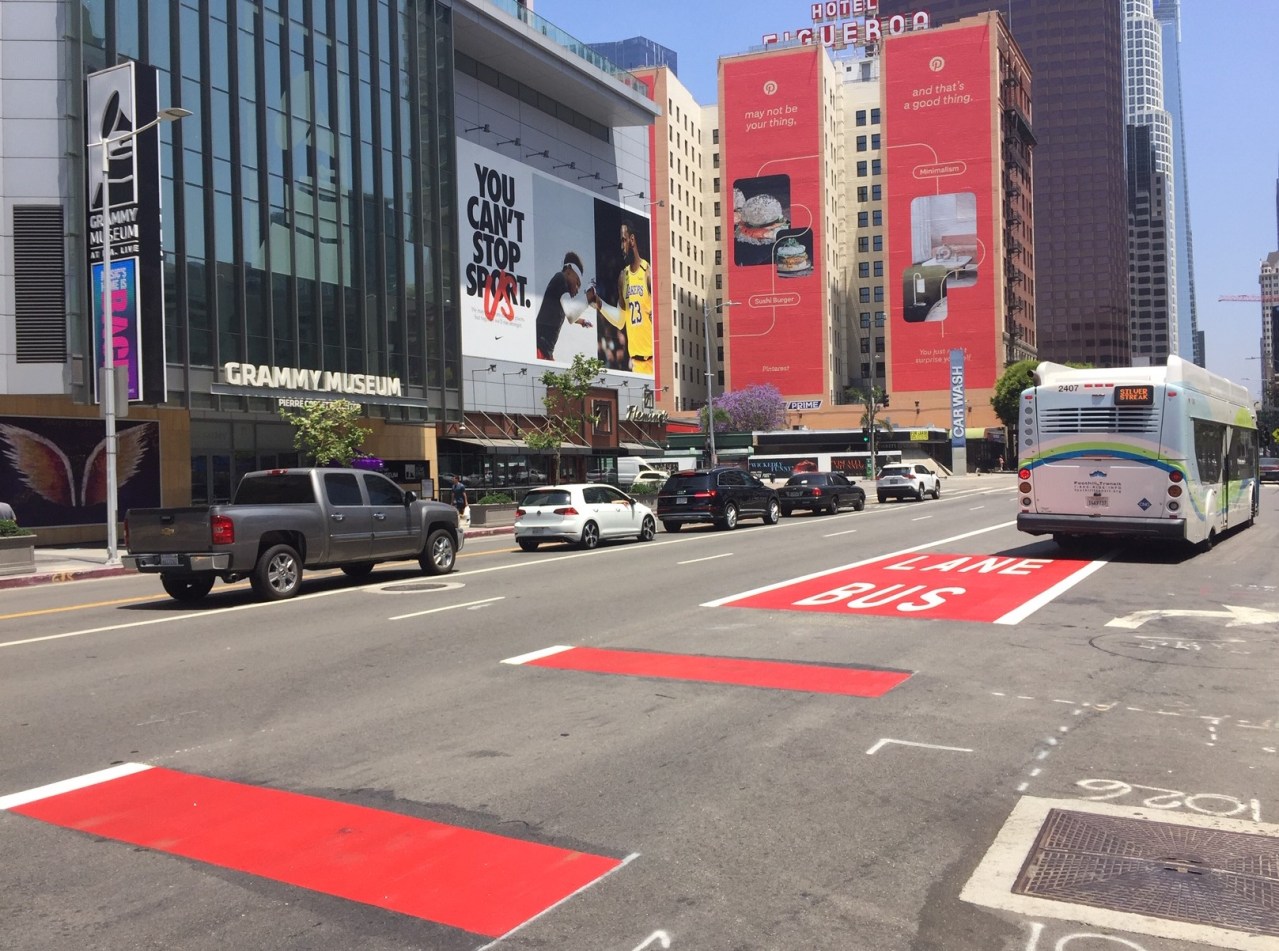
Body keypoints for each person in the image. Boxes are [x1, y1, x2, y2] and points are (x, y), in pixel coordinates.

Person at [588, 222, 654, 375]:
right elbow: (620, 320)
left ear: (632, 240)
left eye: (624, 240)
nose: (621, 246)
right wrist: (599, 303)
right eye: (620, 241)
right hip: (636, 362)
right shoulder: (623, 277)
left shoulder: (648, 273)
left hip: (654, 359)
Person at [534, 251, 594, 361]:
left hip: (545, 350)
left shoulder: (560, 288)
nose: (577, 289)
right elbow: (571, 315)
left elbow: (567, 314)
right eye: (577, 283)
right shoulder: (560, 278)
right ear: (569, 270)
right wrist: (589, 297)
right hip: (540, 349)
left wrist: (581, 321)